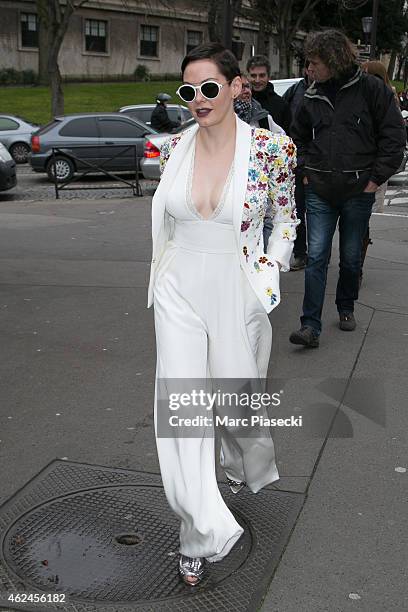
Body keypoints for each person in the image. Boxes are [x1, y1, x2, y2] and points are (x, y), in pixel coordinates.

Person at [148, 42, 298, 586]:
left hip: (238, 288)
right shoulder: (173, 149)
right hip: (178, 287)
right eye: (189, 91)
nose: (198, 99)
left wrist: (269, 273)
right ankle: (199, 531)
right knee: (183, 409)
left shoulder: (271, 151)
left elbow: (286, 220)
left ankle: (244, 463)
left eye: (210, 87)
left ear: (239, 86)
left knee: (237, 404)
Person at [289, 30, 405, 348]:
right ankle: (310, 325)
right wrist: (305, 172)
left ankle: (345, 307)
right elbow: (295, 138)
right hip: (319, 190)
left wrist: (374, 180)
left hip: (358, 191)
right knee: (316, 258)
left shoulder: (373, 91)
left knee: (351, 258)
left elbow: (395, 140)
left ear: (333, 61)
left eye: (314, 63)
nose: (309, 69)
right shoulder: (310, 95)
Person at [359, 60, 404, 285]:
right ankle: (357, 259)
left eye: (365, 72)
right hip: (367, 167)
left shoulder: (384, 98)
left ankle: (357, 261)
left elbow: (393, 138)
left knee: (362, 218)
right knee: (359, 219)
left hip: (374, 169)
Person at [283, 63, 313, 271]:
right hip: (299, 161)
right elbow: (285, 121)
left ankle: (320, 253)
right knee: (299, 211)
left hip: (321, 163)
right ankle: (301, 253)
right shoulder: (295, 91)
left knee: (320, 213)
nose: (312, 70)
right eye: (309, 67)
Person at [246, 55, 292, 133]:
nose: (257, 80)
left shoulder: (281, 105)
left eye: (262, 75)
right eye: (253, 75)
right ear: (248, 76)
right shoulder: (240, 102)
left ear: (268, 77)